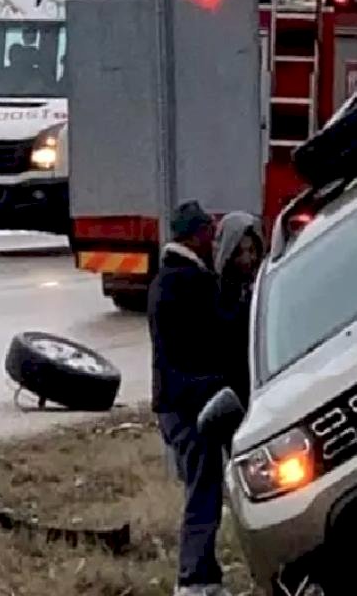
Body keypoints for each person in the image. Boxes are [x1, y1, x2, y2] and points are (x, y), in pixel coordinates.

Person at [148, 200, 231, 596]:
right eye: (209, 233)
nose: (213, 240)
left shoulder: (165, 279)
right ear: (196, 235)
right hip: (190, 405)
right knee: (204, 491)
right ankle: (195, 579)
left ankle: (205, 575)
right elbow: (217, 335)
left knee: (201, 488)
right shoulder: (190, 281)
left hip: (173, 403)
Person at [213, 211, 265, 410]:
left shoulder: (264, 285)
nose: (247, 259)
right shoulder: (216, 291)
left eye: (251, 250)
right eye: (239, 252)